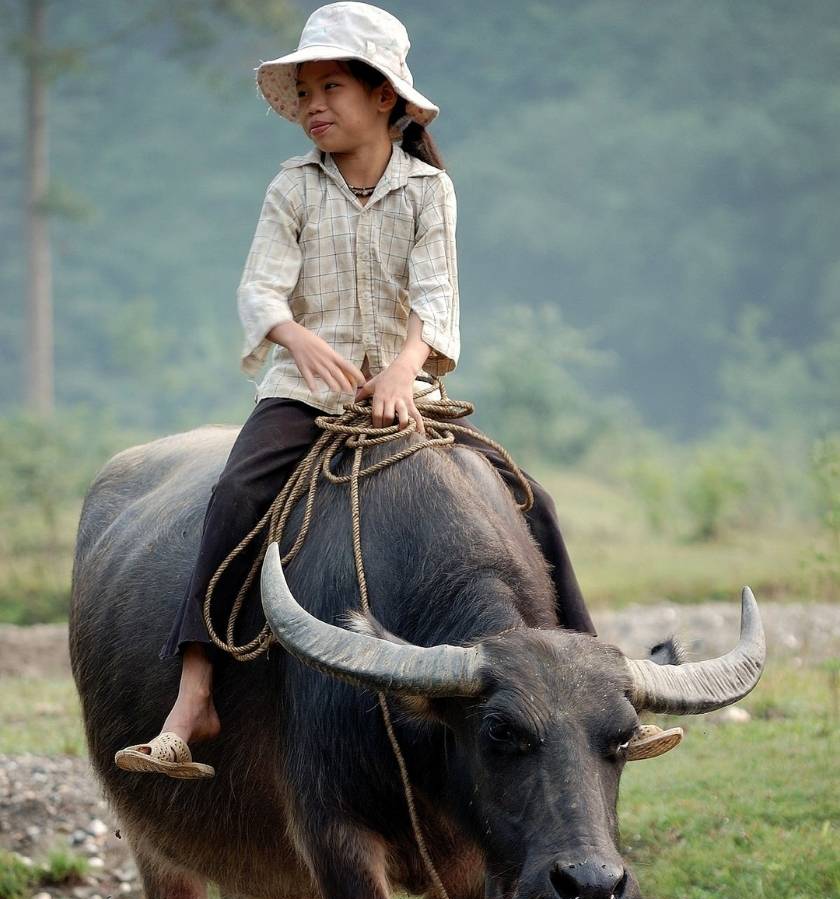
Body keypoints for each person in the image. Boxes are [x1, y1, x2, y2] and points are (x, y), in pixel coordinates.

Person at [115, 2, 672, 779]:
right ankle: (195, 692)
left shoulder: (427, 190)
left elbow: (436, 300)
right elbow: (261, 291)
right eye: (304, 91)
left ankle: (602, 695)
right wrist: (299, 339)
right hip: (303, 394)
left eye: (330, 87)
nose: (313, 105)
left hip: (407, 397)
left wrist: (406, 372)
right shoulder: (292, 187)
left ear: (384, 97)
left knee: (530, 502)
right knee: (236, 495)